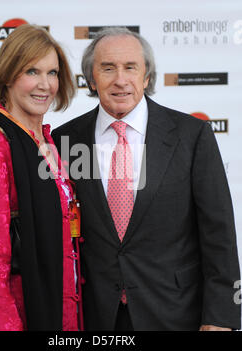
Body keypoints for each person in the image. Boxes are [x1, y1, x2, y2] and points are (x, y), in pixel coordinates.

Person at [52, 27, 241, 331]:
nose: (120, 80)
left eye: (131, 67)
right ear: (91, 79)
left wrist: (221, 318)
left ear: (147, 77)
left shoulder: (191, 136)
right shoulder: (65, 142)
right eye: (108, 68)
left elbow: (219, 236)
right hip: (95, 317)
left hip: (176, 313)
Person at [0, 24, 83, 331]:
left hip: (62, 312)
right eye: (32, 72)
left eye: (52, 73)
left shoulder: (49, 142)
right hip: (19, 317)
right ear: (8, 76)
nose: (45, 85)